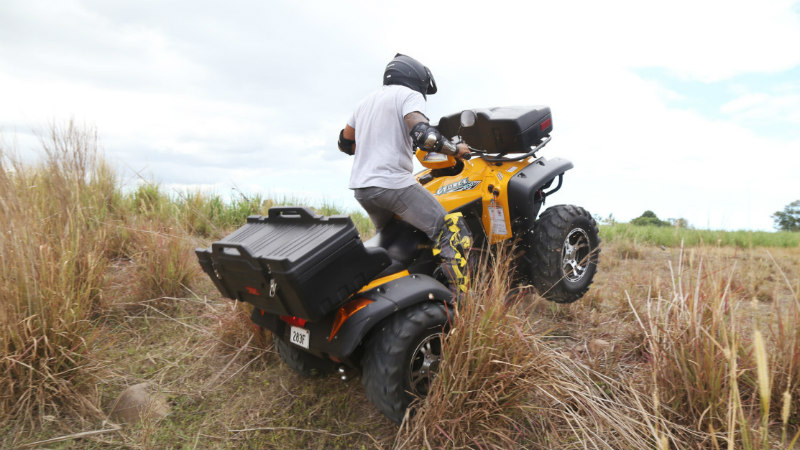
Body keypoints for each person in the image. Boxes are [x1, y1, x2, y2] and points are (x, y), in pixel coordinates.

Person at [337, 53, 472, 297]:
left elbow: (345, 144)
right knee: (452, 230)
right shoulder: (408, 95)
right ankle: (459, 300)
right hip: (392, 184)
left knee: (394, 242)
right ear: (415, 77)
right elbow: (425, 135)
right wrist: (456, 150)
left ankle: (392, 291)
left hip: (363, 189)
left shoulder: (365, 102)